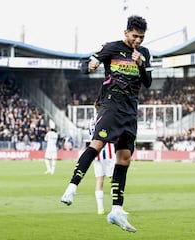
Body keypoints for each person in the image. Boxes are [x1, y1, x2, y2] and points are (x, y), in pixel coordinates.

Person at [60, 15, 152, 233]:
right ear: (126, 32)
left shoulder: (144, 53)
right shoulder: (112, 48)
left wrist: (141, 63)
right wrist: (91, 65)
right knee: (98, 143)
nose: (137, 41)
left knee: (125, 158)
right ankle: (72, 187)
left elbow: (147, 82)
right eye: (134, 36)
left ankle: (116, 211)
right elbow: (84, 65)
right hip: (111, 104)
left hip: (130, 109)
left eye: (141, 37)